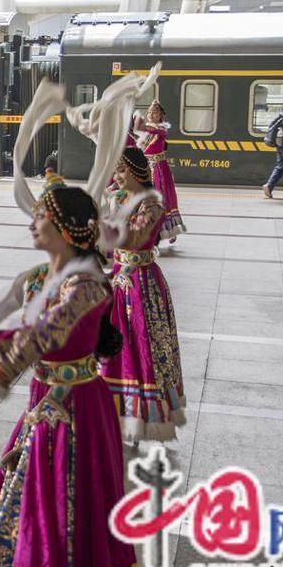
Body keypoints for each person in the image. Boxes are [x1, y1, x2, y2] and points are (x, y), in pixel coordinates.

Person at [0, 173, 142, 567]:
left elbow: (46, 335)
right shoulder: (36, 277)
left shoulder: (88, 286)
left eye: (41, 218)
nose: (32, 225)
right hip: (44, 403)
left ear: (68, 230)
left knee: (68, 500)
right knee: (31, 495)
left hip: (80, 410)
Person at [100, 146, 185, 444]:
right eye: (116, 171)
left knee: (142, 346)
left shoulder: (151, 205)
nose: (117, 176)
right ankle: (114, 413)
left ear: (138, 172)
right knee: (115, 347)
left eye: (122, 170)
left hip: (142, 286)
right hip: (119, 281)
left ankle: (139, 417)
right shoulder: (121, 198)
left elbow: (134, 238)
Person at [133, 101, 186, 242]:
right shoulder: (146, 132)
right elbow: (138, 129)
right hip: (146, 166)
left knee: (161, 197)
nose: (151, 114)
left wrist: (137, 116)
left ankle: (169, 229)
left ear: (161, 115)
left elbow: (143, 127)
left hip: (159, 168)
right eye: (149, 112)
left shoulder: (162, 130)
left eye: (154, 112)